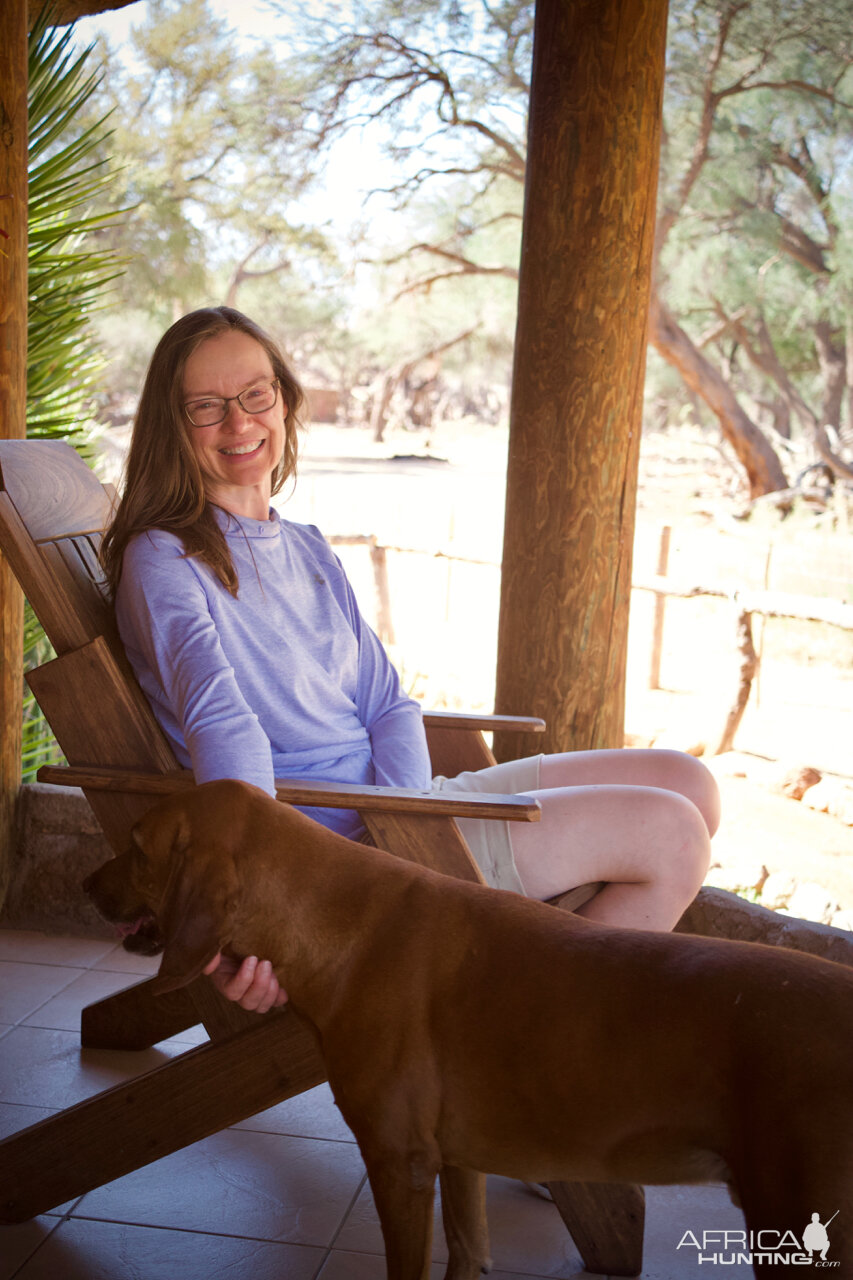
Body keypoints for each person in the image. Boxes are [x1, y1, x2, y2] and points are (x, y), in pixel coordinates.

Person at [102, 306, 720, 1014]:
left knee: (686, 781)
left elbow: (388, 706)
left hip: (394, 821)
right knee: (671, 837)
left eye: (255, 395)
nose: (239, 423)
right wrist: (253, 906)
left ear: (283, 401)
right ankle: (518, 1044)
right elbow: (223, 727)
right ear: (172, 427)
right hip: (325, 853)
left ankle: (509, 999)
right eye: (206, 407)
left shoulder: (302, 545)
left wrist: (405, 823)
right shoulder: (164, 559)